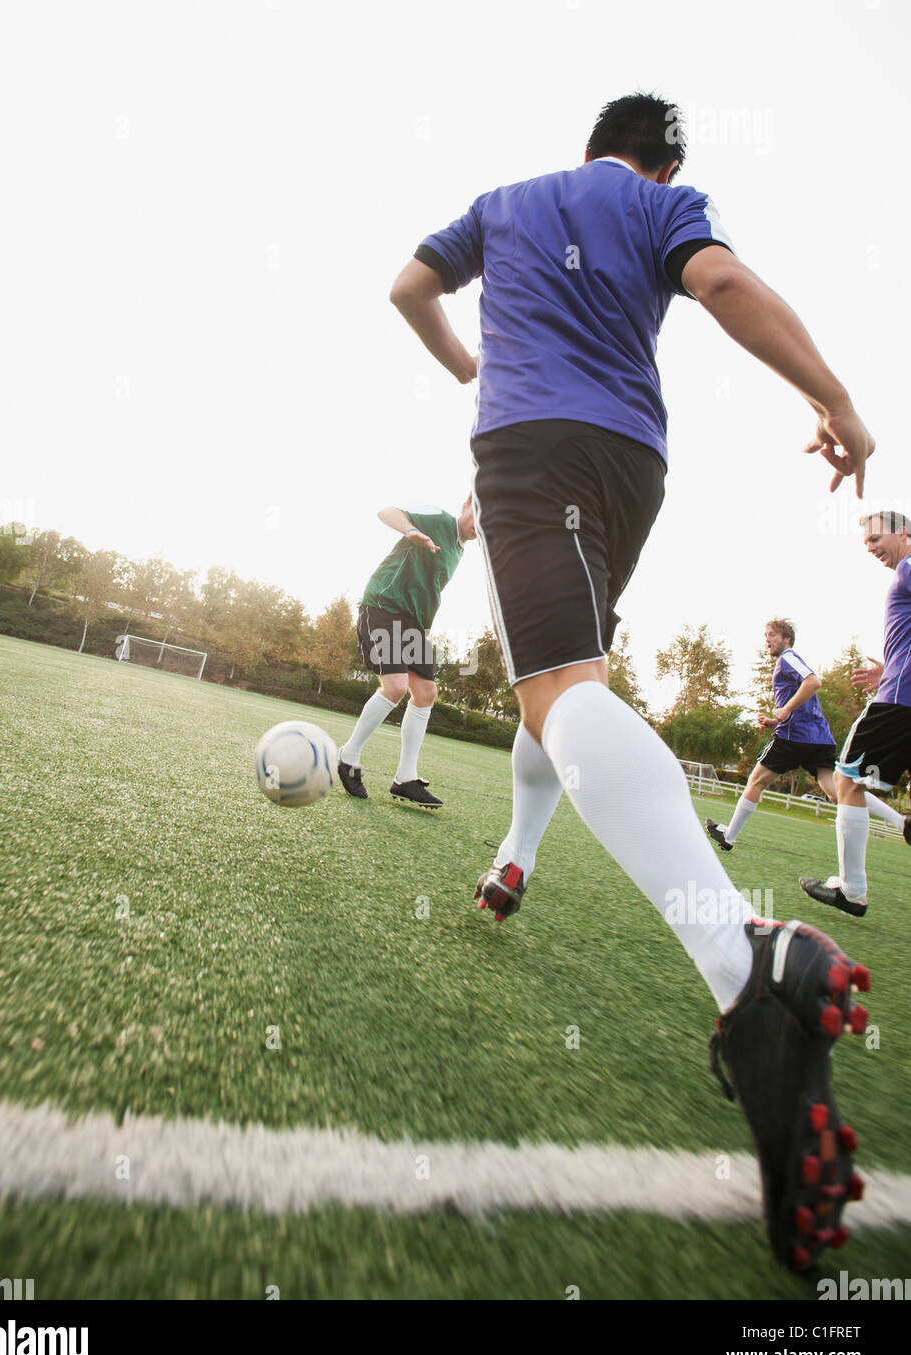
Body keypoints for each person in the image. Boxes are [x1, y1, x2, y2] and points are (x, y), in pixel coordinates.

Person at [389, 92, 874, 1269]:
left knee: (557, 687)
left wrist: (470, 364)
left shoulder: (505, 202)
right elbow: (717, 284)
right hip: (629, 462)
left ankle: (740, 958)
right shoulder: (659, 205)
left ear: (599, 147)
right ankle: (517, 850)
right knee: (557, 687)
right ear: (663, 163)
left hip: (529, 444)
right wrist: (833, 400)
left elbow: (407, 286)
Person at [707, 619, 908, 850]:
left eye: (772, 635)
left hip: (794, 737)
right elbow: (805, 697)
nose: (767, 640)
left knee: (756, 781)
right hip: (818, 737)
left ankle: (729, 836)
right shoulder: (788, 662)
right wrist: (776, 719)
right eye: (765, 636)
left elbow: (813, 682)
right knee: (839, 792)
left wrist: (785, 710)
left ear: (787, 639)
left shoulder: (788, 658)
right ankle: (901, 822)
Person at [801, 511, 911, 915]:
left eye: (875, 538)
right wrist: (889, 668)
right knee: (856, 781)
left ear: (903, 532)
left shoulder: (908, 568)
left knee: (847, 780)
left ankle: (851, 890)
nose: (870, 548)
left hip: (898, 702)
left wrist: (897, 677)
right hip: (900, 689)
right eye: (865, 543)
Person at [337, 498, 476, 806]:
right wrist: (412, 531)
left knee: (426, 693)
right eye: (480, 515)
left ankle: (405, 778)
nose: (481, 527)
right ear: (467, 504)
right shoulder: (439, 518)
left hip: (414, 625)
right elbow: (386, 512)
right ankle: (348, 756)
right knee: (396, 687)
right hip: (384, 607)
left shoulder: (458, 549)